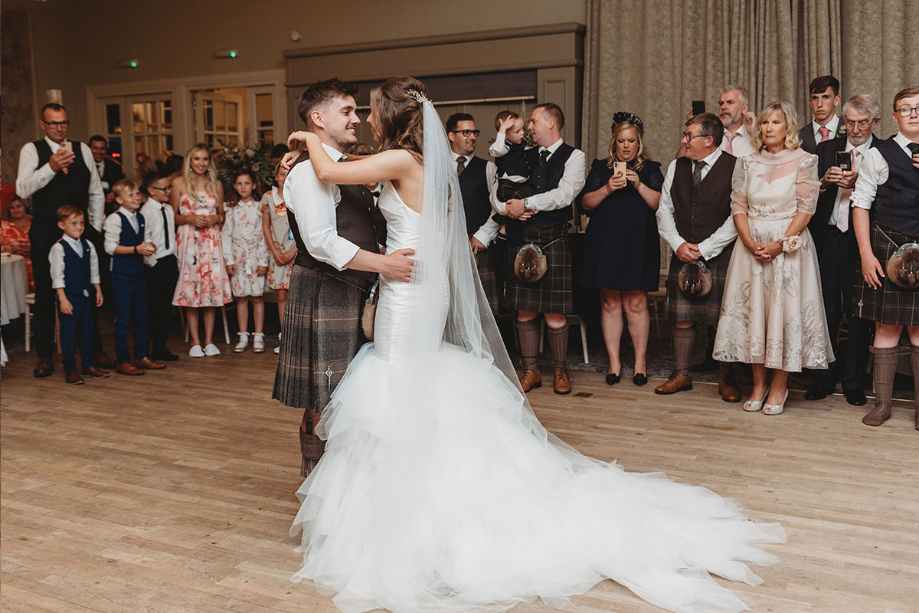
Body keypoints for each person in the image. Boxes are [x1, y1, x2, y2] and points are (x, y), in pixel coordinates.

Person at [286, 75, 785, 613]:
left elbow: (331, 170)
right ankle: (410, 502)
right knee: (417, 383)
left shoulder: (405, 164)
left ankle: (408, 513)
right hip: (416, 287)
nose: (362, 119)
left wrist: (301, 140)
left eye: (369, 112)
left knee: (399, 382)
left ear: (389, 118)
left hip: (406, 294)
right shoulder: (420, 164)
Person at [274, 78, 413, 478]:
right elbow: (320, 242)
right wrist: (384, 265)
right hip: (325, 290)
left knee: (352, 394)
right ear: (318, 118)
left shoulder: (342, 167)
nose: (358, 119)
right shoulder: (307, 172)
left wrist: (381, 254)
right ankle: (316, 487)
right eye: (347, 111)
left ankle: (345, 485)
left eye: (357, 111)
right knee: (325, 398)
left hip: (354, 287)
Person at [713, 101, 834, 415]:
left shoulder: (806, 160)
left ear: (788, 127)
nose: (768, 128)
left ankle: (780, 386)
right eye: (765, 122)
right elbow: (737, 206)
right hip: (750, 248)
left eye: (776, 123)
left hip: (789, 247)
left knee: (784, 315)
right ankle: (758, 384)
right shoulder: (747, 161)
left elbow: (806, 208)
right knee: (757, 315)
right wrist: (750, 241)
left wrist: (781, 244)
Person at [16, 102, 115, 378]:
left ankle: (93, 350)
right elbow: (22, 188)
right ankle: (46, 356)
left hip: (81, 231)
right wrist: (50, 167)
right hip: (47, 230)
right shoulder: (31, 150)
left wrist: (95, 225)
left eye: (63, 123)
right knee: (47, 293)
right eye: (53, 123)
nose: (59, 128)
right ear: (43, 124)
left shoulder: (82, 149)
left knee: (87, 290)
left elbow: (95, 191)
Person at [498, 103, 586, 394]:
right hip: (521, 240)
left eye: (534, 122)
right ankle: (531, 371)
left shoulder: (575, 156)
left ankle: (561, 371)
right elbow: (503, 182)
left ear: (551, 123)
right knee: (524, 311)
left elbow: (564, 195)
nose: (530, 128)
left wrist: (527, 204)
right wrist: (510, 208)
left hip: (553, 239)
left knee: (554, 313)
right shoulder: (523, 155)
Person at [655, 113, 742, 402]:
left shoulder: (735, 167)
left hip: (719, 254)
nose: (683, 140)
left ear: (709, 140)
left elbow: (737, 216)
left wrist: (705, 248)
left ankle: (727, 379)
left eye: (689, 135)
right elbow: (664, 209)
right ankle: (681, 374)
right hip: (682, 251)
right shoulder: (676, 166)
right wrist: (678, 243)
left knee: (721, 320)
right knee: (682, 319)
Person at [851, 86, 919, 431]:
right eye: (905, 109)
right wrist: (865, 254)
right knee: (886, 327)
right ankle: (883, 404)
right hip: (887, 249)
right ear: (894, 116)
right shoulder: (878, 154)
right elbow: (860, 205)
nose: (913, 114)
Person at [805, 94, 880, 406]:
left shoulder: (882, 152)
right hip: (828, 238)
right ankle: (822, 377)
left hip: (862, 244)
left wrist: (861, 181)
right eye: (850, 122)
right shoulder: (824, 149)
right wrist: (823, 183)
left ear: (875, 122)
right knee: (825, 310)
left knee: (857, 314)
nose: (856, 129)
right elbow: (804, 198)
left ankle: (852, 381)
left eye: (863, 123)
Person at [580, 112, 662, 386]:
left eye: (631, 141)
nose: (626, 146)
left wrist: (637, 183)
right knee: (610, 302)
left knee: (636, 303)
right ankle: (614, 362)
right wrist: (606, 188)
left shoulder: (650, 170)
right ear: (614, 143)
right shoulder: (601, 169)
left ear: (639, 143)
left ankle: (640, 362)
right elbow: (585, 204)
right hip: (605, 242)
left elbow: (658, 204)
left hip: (638, 241)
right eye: (621, 141)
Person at [170, 143, 232, 358]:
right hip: (189, 241)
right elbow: (171, 216)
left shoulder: (216, 184)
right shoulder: (178, 184)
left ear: (209, 162)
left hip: (211, 242)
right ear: (190, 161)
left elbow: (222, 215)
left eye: (205, 159)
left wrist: (216, 218)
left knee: (210, 289)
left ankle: (209, 340)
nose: (201, 163)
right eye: (197, 159)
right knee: (191, 289)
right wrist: (189, 218)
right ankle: (195, 341)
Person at [103, 180, 165, 375]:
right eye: (131, 195)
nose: (137, 197)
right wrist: (136, 249)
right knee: (123, 318)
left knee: (141, 316)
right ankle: (123, 360)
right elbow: (109, 247)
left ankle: (141, 355)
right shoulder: (114, 219)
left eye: (137, 193)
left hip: (138, 273)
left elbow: (143, 240)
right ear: (120, 199)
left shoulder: (140, 218)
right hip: (121, 274)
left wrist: (148, 247)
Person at [445, 112, 501, 314]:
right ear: (451, 135)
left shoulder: (488, 168)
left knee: (482, 309)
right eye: (466, 132)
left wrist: (483, 235)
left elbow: (499, 206)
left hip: (477, 244)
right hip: (445, 243)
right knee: (448, 306)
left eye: (474, 132)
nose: (472, 137)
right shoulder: (436, 167)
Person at [50, 205, 106, 384]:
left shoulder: (88, 245)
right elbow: (57, 275)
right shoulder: (59, 248)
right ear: (61, 225)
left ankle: (88, 365)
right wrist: (63, 298)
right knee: (68, 333)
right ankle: (70, 369)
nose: (79, 227)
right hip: (69, 297)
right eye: (73, 223)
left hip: (85, 296)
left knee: (87, 331)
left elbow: (93, 269)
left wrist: (97, 289)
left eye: (81, 223)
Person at [223, 170, 269, 353]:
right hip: (238, 258)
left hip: (256, 256)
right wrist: (228, 259)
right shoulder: (231, 209)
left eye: (247, 183)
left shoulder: (260, 207)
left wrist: (263, 261)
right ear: (234, 186)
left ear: (254, 185)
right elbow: (225, 235)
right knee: (241, 298)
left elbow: (265, 235)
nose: (243, 187)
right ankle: (243, 335)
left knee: (257, 297)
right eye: (240, 184)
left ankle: (258, 336)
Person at [140, 170, 180, 361]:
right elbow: (145, 239)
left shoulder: (168, 209)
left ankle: (160, 346)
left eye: (169, 187)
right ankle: (145, 349)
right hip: (155, 264)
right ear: (151, 190)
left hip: (170, 261)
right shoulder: (146, 211)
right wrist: (153, 263)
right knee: (153, 308)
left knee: (165, 308)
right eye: (164, 188)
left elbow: (170, 235)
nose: (167, 191)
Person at [261, 163, 296, 354]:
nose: (285, 177)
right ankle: (284, 335)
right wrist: (275, 252)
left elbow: (305, 228)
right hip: (276, 253)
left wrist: (293, 252)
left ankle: (294, 337)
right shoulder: (268, 197)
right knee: (281, 295)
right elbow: (266, 227)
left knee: (295, 295)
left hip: (295, 252)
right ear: (276, 176)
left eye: (289, 174)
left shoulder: (299, 197)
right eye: (282, 174)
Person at [489, 110, 534, 202]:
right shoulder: (503, 147)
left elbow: (523, 152)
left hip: (521, 184)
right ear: (505, 136)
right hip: (508, 187)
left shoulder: (520, 145)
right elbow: (498, 150)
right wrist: (502, 130)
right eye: (517, 131)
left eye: (522, 129)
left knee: (532, 193)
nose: (522, 133)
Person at [799, 76, 844, 154]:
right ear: (810, 102)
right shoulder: (800, 136)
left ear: (836, 100)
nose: (819, 104)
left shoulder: (850, 129)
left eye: (825, 97)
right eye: (815, 98)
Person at [1, 195, 34, 290]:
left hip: (37, 266)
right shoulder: (3, 225)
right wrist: (11, 250)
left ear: (25, 207)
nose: (16, 210)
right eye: (12, 208)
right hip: (12, 270)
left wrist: (34, 249)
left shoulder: (36, 223)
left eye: (19, 206)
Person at [88, 135, 125, 216]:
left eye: (102, 149)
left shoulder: (115, 167)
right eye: (95, 148)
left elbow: (121, 188)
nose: (99, 152)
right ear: (89, 148)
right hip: (87, 211)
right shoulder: (82, 166)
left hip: (109, 212)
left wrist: (114, 194)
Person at [718, 86, 756, 157]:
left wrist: (755, 135)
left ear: (744, 108)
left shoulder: (754, 137)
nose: (723, 107)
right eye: (721, 103)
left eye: (730, 102)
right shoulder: (710, 136)